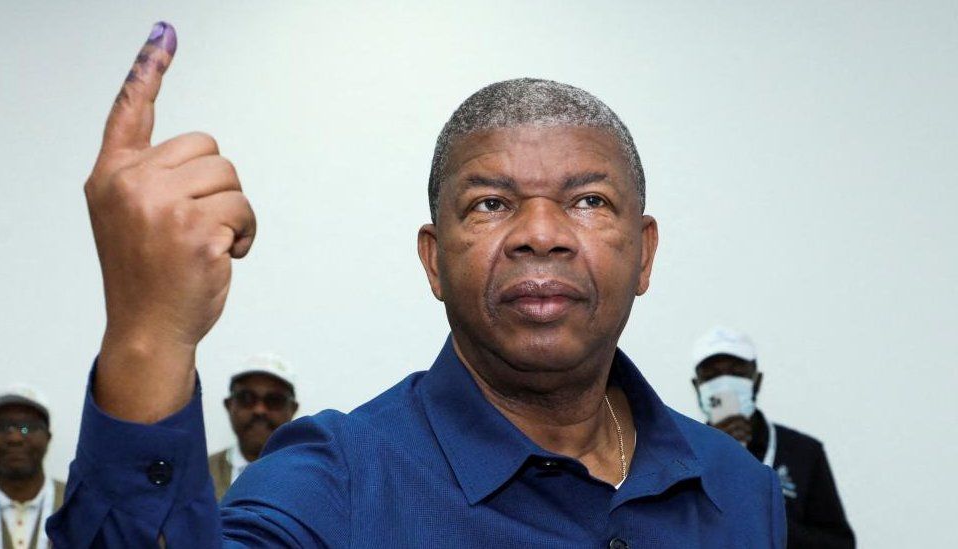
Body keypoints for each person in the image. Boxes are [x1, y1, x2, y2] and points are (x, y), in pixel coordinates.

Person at [47, 22, 786, 547]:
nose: (540, 231)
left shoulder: (739, 489)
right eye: (490, 204)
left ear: (645, 255)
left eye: (588, 200)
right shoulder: (335, 477)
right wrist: (149, 333)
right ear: (434, 260)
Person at [692, 326, 855, 548]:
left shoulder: (803, 453)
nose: (724, 384)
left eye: (736, 372)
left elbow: (839, 544)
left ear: (756, 381)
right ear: (697, 386)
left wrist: (769, 520)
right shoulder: (683, 454)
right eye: (712, 375)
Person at [208, 354, 298, 501]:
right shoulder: (197, 476)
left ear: (293, 409)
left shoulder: (311, 477)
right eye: (246, 398)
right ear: (229, 405)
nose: (259, 410)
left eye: (274, 400)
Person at [0, 385, 65, 549]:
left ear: (48, 437)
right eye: (2, 427)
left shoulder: (76, 505)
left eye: (27, 427)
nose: (15, 438)